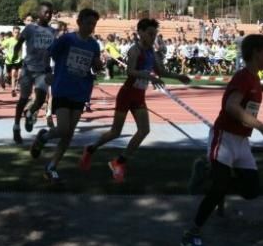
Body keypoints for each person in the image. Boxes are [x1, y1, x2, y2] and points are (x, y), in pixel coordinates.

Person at [181, 33, 263, 246]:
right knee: (218, 189)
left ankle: (208, 172)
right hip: (224, 137)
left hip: (242, 142)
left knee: (252, 190)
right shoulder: (243, 78)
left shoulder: (255, 78)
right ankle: (191, 234)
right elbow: (231, 107)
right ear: (256, 53)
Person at [80, 18, 191, 181]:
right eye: (150, 34)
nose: (153, 37)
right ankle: (90, 149)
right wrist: (147, 75)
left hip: (139, 95)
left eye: (155, 34)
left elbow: (160, 71)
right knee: (115, 132)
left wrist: (178, 76)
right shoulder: (135, 50)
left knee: (144, 130)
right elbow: (130, 72)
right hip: (127, 93)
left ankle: (119, 162)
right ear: (140, 33)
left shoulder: (151, 52)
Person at [29, 8, 103, 186]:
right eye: (88, 23)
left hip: (81, 91)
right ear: (79, 22)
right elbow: (48, 53)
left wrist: (98, 65)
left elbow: (94, 66)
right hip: (62, 87)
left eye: (93, 24)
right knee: (63, 129)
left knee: (68, 134)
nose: (91, 27)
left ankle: (51, 167)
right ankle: (43, 137)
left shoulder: (93, 45)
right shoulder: (66, 39)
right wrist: (47, 71)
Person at [11, 2, 56, 144]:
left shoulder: (52, 32)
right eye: (46, 12)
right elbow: (19, 43)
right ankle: (16, 127)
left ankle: (30, 113)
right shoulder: (30, 28)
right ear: (39, 13)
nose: (48, 15)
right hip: (28, 69)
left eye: (50, 13)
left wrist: (52, 66)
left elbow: (53, 51)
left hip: (43, 71)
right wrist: (15, 56)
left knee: (41, 99)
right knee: (23, 99)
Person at [1, 25, 22, 96]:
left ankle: (15, 88)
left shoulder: (21, 40)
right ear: (13, 33)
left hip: (19, 60)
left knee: (19, 73)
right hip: (10, 60)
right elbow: (1, 46)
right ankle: (12, 87)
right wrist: (1, 50)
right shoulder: (9, 40)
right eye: (15, 32)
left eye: (18, 33)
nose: (17, 34)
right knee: (12, 74)